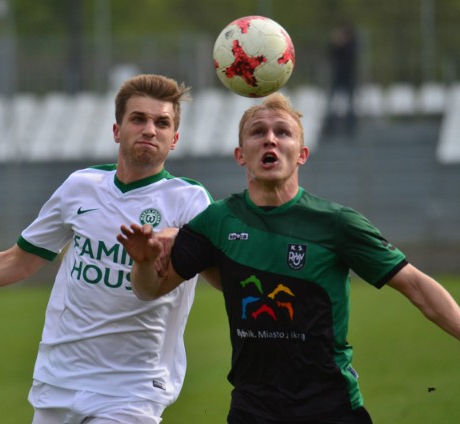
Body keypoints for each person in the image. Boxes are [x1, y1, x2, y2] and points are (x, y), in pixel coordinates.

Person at [0, 74, 214, 424]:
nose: (149, 129)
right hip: (59, 379)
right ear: (117, 130)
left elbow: (219, 268)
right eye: (138, 119)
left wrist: (177, 236)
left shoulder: (189, 200)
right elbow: (16, 261)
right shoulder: (80, 187)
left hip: (132, 389)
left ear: (174, 139)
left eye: (162, 123)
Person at [118, 92, 460, 424]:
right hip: (252, 411)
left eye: (282, 133)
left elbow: (415, 284)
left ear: (302, 154)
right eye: (258, 133)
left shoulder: (337, 222)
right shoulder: (217, 222)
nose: (270, 140)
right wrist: (144, 261)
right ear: (240, 154)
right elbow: (149, 291)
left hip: (332, 408)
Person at [323, 23, 358, 136]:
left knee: (350, 106)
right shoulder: (337, 47)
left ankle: (350, 129)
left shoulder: (351, 46)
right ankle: (330, 129)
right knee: (332, 104)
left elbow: (352, 57)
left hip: (348, 77)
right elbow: (330, 55)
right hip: (337, 77)